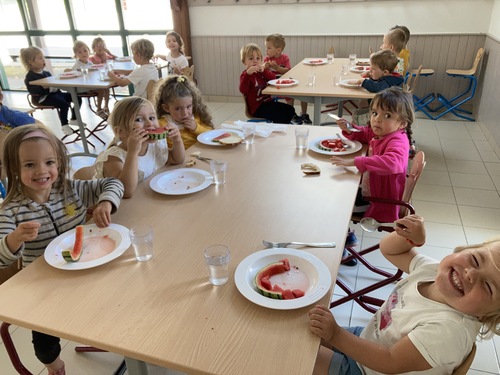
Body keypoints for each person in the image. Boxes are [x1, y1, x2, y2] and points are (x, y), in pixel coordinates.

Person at [0, 124, 124, 375]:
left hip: (89, 271)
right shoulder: (10, 211)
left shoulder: (71, 190)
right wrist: (14, 239)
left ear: (59, 163)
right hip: (46, 287)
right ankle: (54, 366)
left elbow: (113, 183)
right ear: (14, 168)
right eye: (29, 165)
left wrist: (105, 202)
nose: (42, 171)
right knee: (44, 343)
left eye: (49, 162)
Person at [309, 214, 500, 375]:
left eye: (488, 287)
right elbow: (389, 250)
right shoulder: (432, 270)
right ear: (465, 249)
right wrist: (409, 239)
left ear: (487, 314)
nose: (471, 274)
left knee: (295, 356)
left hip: (371, 370)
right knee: (300, 333)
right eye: (475, 259)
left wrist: (335, 335)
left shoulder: (449, 331)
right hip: (369, 339)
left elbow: (390, 361)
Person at [331, 86, 414, 223]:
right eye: (375, 113)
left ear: (402, 123)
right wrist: (350, 129)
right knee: (338, 188)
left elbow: (393, 162)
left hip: (380, 200)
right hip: (373, 189)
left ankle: (346, 237)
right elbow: (366, 133)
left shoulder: (398, 140)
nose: (377, 119)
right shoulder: (386, 132)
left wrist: (358, 161)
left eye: (387, 115)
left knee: (336, 203)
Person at [93, 96, 185, 198]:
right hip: (109, 209)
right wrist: (132, 153)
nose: (149, 123)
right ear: (120, 132)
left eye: (152, 118)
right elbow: (126, 191)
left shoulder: (154, 145)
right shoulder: (113, 158)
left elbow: (176, 159)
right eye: (139, 119)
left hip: (144, 197)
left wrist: (177, 140)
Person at [20, 46, 81, 136]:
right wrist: (46, 88)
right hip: (43, 98)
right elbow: (34, 91)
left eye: (43, 58)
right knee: (64, 104)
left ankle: (74, 118)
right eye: (40, 58)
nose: (43, 60)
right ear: (31, 62)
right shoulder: (30, 76)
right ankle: (64, 124)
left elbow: (54, 85)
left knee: (76, 97)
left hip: (55, 94)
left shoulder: (46, 73)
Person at [239, 43, 295, 124]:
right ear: (244, 62)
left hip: (267, 102)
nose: (255, 61)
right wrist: (247, 74)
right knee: (282, 115)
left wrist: (264, 71)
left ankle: (279, 127)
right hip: (257, 108)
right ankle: (278, 129)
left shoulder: (261, 72)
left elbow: (273, 79)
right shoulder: (246, 75)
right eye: (251, 58)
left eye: (258, 58)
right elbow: (243, 89)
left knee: (290, 110)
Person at [154, 74, 213, 149]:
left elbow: (211, 134)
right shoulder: (161, 124)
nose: (185, 114)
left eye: (189, 107)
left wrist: (196, 128)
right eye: (178, 109)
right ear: (166, 108)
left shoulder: (196, 118)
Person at [264, 33, 311, 124]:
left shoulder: (284, 58)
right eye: (266, 48)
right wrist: (264, 67)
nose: (266, 50)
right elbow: (262, 71)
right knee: (289, 96)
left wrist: (277, 68)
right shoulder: (266, 60)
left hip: (285, 83)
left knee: (303, 92)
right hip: (273, 86)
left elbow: (288, 71)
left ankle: (304, 113)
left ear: (278, 50)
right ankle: (292, 113)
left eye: (269, 48)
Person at [69, 40, 110, 118]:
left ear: (88, 51)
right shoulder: (77, 65)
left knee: (106, 87)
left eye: (85, 51)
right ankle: (99, 109)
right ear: (76, 55)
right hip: (82, 87)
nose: (83, 53)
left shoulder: (89, 62)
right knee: (101, 89)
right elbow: (75, 76)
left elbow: (94, 71)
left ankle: (106, 106)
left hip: (90, 84)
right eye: (79, 52)